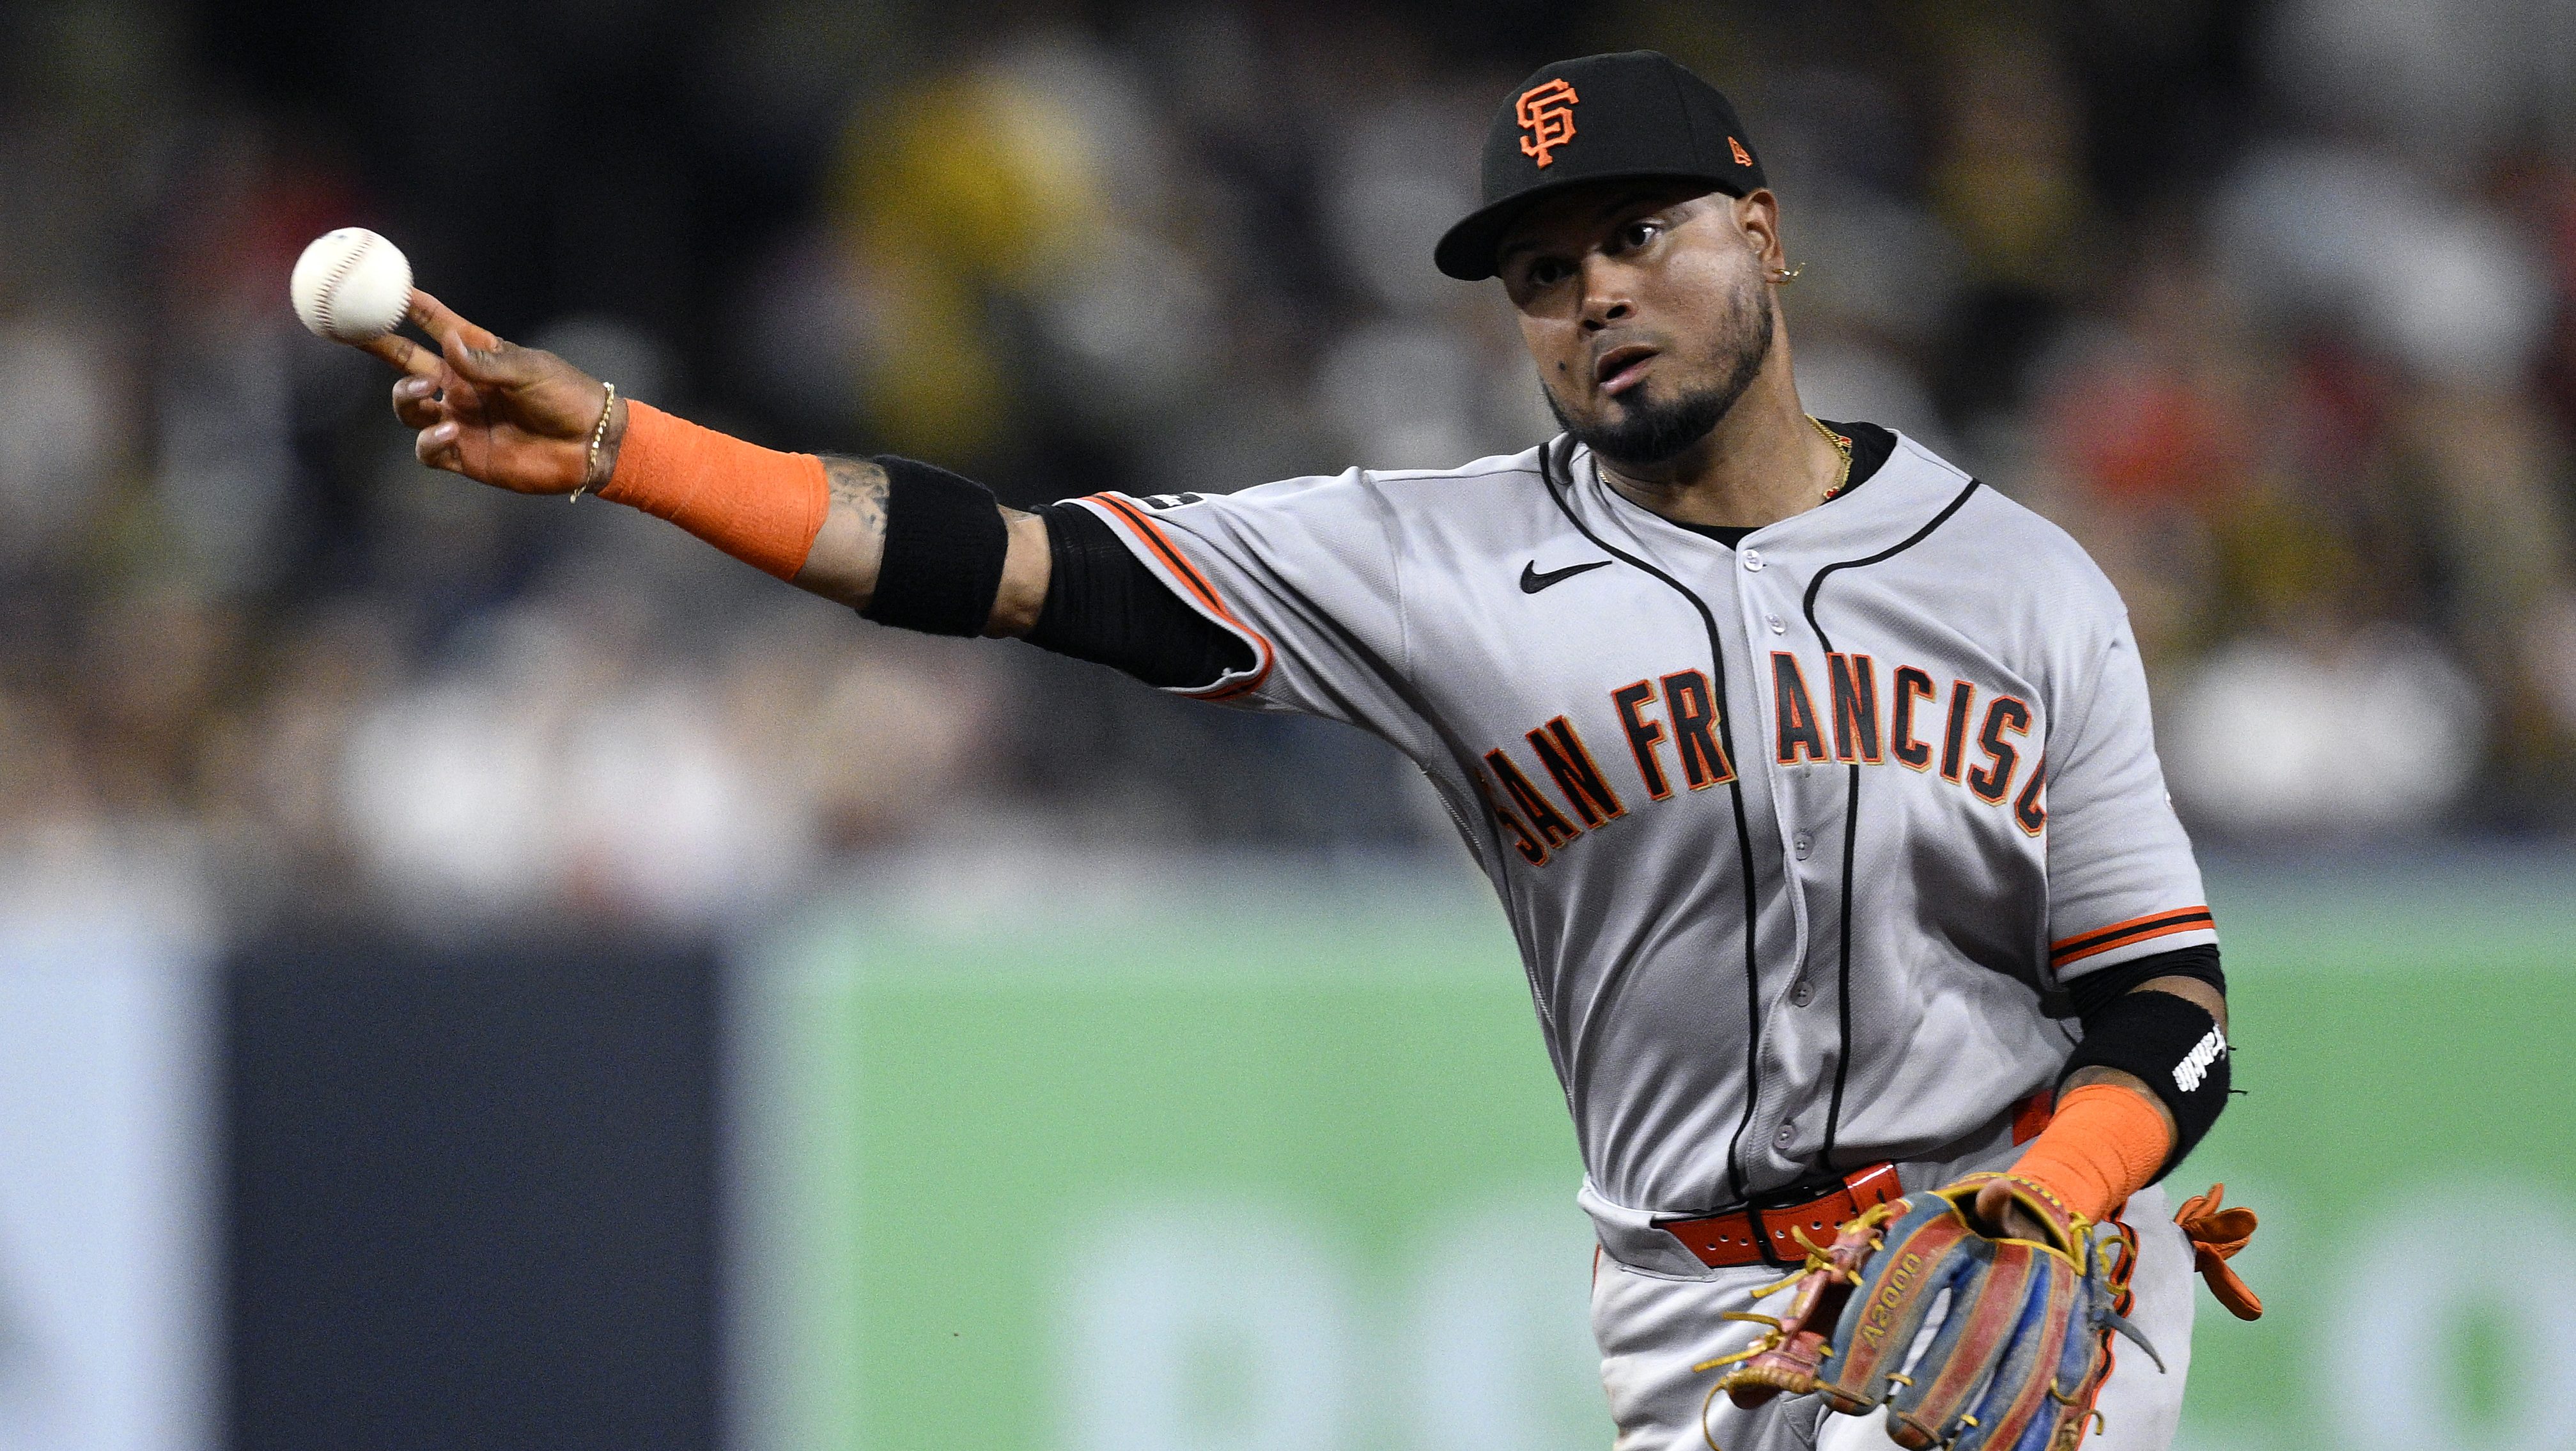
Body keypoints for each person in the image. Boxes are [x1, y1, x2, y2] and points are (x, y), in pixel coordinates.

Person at [351, 49, 2256, 1451]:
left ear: (1760, 238)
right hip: (1698, 1315)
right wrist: (628, 445)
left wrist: (2057, 1190)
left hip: (2021, 1270)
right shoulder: (1431, 563)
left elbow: (2168, 1006)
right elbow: (1001, 565)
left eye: (1638, 235)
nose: (1592, 292)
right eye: (1539, 272)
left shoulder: (2017, 580)